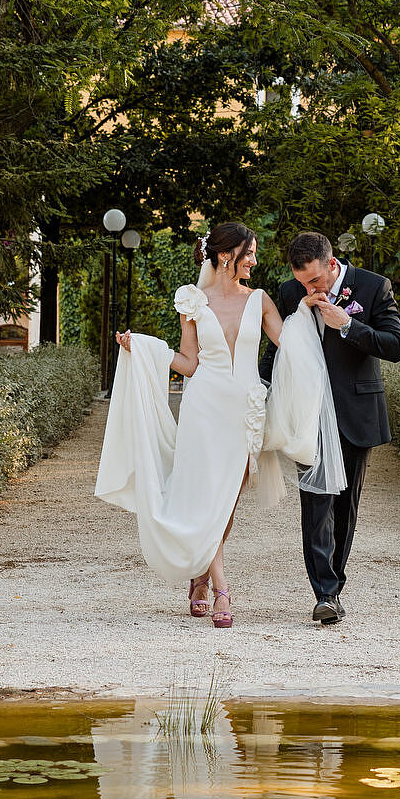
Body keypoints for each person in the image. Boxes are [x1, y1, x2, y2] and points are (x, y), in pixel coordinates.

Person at [95, 222, 343, 629]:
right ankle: (222, 587)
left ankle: (199, 575)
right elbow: (189, 362)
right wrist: (143, 348)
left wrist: (311, 309)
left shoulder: (260, 300)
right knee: (207, 495)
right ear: (226, 255)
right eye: (250, 253)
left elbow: (290, 346)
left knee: (226, 500)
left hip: (244, 412)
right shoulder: (192, 301)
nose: (255, 260)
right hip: (203, 408)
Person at [260, 231, 400, 625]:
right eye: (303, 281)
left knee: (345, 507)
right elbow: (279, 347)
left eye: (315, 281)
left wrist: (348, 325)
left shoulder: (374, 287)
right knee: (315, 502)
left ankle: (334, 585)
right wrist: (262, 388)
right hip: (307, 415)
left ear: (332, 264)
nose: (309, 287)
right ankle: (324, 593)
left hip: (355, 413)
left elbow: (394, 346)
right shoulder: (291, 292)